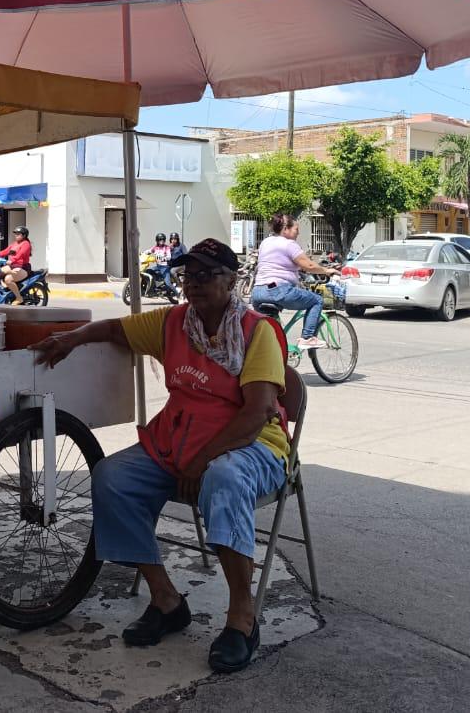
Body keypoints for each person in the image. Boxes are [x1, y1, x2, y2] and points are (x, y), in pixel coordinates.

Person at [32, 238, 288, 674]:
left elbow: (254, 414)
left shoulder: (254, 330)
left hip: (251, 448)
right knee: (113, 476)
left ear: (231, 281)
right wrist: (72, 338)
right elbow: (117, 329)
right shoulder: (173, 323)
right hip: (180, 443)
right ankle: (166, 599)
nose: (195, 284)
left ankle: (242, 618)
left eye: (207, 275)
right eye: (189, 275)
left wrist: (201, 461)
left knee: (224, 480)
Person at [249, 214, 338, 350]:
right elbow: (308, 266)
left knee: (272, 331)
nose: (298, 233)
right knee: (316, 300)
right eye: (296, 229)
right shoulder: (289, 244)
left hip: (258, 292)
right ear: (286, 229)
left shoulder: (265, 243)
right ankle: (307, 338)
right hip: (278, 290)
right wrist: (326, 271)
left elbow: (278, 263)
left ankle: (275, 350)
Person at [0, 225, 32, 305]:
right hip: (13, 266)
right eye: (15, 234)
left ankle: (19, 298)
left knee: (8, 279)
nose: (16, 235)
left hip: (22, 267)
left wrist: (12, 260)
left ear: (24, 235)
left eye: (18, 234)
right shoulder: (15, 244)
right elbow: (6, 251)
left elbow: (20, 254)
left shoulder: (26, 244)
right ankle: (7, 291)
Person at [149, 233, 177, 299]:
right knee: (148, 271)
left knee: (168, 283)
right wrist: (142, 253)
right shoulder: (155, 247)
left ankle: (178, 295)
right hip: (158, 266)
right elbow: (149, 251)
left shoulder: (166, 248)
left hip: (165, 267)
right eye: (160, 240)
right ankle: (153, 288)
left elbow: (169, 257)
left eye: (163, 240)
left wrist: (162, 258)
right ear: (157, 241)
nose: (161, 241)